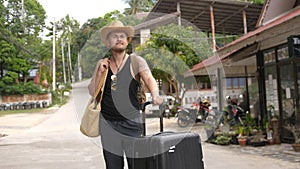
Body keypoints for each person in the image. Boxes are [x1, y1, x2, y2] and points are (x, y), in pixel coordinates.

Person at [88, 20, 163, 169]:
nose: (119, 39)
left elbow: (149, 78)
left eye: (122, 36)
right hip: (108, 124)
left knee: (137, 165)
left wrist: (155, 95)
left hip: (131, 122)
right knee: (113, 166)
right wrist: (99, 72)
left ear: (127, 41)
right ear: (108, 42)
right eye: (114, 36)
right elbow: (92, 91)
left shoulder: (136, 61)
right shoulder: (103, 64)